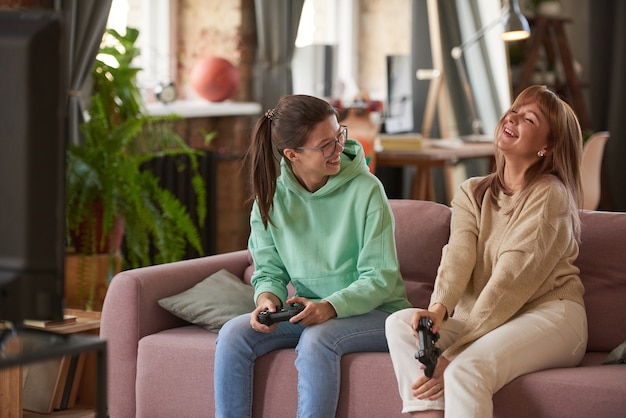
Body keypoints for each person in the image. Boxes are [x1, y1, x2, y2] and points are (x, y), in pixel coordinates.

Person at [385, 85, 588, 418]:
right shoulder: (473, 191)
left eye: (529, 119)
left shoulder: (550, 195)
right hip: (490, 318)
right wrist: (437, 310)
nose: (513, 117)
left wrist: (452, 355)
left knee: (464, 369)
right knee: (401, 324)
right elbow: (458, 257)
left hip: (550, 316)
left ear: (547, 147)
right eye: (514, 110)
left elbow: (511, 279)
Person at [214, 94, 412, 418]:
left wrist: (330, 307)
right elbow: (269, 269)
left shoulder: (367, 190)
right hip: (310, 310)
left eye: (339, 137)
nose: (338, 149)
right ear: (293, 154)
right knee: (234, 335)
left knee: (317, 340)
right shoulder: (271, 197)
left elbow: (380, 277)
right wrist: (267, 299)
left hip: (379, 312)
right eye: (325, 145)